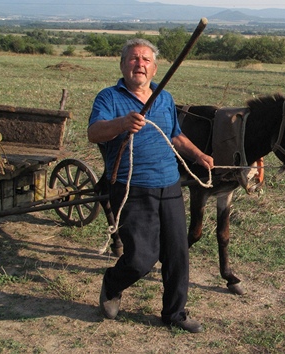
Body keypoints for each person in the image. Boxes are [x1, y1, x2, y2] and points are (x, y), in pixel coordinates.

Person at [88, 38, 213, 333]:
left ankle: (174, 313)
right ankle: (112, 283)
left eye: (145, 60)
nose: (139, 64)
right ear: (122, 65)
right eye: (133, 59)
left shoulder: (164, 98)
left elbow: (175, 136)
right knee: (141, 257)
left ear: (154, 68)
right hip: (131, 186)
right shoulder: (109, 98)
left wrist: (199, 155)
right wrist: (122, 124)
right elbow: (94, 132)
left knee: (177, 254)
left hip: (169, 184)